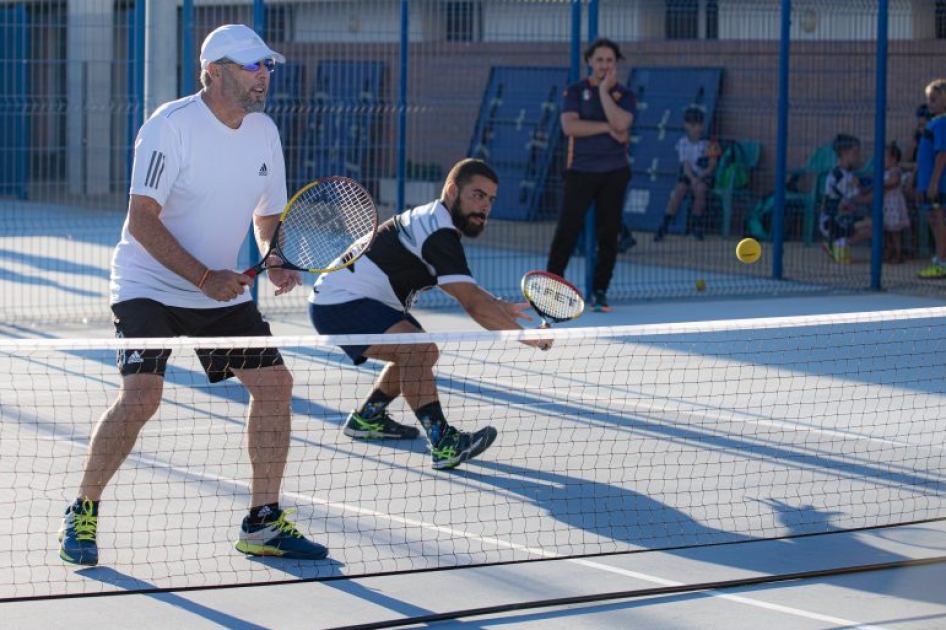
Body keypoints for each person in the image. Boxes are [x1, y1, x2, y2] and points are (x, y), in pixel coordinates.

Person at [57, 24, 327, 566]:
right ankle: (83, 509)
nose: (264, 75)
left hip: (218, 290)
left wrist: (272, 254)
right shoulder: (169, 127)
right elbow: (141, 219)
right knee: (143, 396)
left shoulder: (264, 132)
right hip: (148, 284)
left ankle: (264, 522)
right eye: (253, 66)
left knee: (275, 386)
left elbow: (267, 213)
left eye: (267, 67)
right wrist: (205, 276)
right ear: (214, 72)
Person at [309, 158, 549, 470]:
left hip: (360, 301)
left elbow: (466, 288)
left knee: (421, 352)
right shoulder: (438, 232)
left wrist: (498, 304)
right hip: (341, 304)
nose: (485, 206)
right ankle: (444, 442)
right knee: (417, 350)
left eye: (490, 199)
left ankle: (369, 417)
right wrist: (530, 338)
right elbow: (472, 303)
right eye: (478, 195)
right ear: (452, 190)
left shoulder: (439, 223)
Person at [546, 37, 635, 314]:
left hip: (614, 173)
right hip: (580, 172)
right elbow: (570, 127)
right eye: (599, 60)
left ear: (616, 64)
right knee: (567, 232)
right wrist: (606, 128)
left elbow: (622, 126)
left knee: (608, 235)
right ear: (589, 62)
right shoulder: (574, 91)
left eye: (610, 60)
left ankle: (599, 292)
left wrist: (605, 93)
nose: (604, 65)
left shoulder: (625, 95)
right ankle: (551, 291)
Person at [653, 106, 722, 242]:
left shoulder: (711, 143)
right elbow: (686, 166)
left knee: (700, 190)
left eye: (699, 125)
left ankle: (696, 225)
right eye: (693, 125)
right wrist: (692, 178)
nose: (697, 128)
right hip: (690, 175)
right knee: (679, 189)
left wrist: (699, 178)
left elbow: (712, 166)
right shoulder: (682, 143)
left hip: (704, 175)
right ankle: (665, 225)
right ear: (687, 125)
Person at [818, 133, 873, 264]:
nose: (858, 157)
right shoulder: (841, 176)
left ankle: (838, 244)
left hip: (841, 217)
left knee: (870, 224)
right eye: (855, 153)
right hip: (832, 221)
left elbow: (858, 191)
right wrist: (881, 192)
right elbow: (860, 199)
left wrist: (873, 186)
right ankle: (839, 243)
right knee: (875, 227)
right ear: (845, 153)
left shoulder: (844, 173)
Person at [916, 79, 946, 279]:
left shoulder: (942, 123)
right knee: (934, 219)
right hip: (927, 181)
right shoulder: (935, 122)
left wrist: (934, 182)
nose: (930, 103)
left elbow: (942, 154)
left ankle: (941, 261)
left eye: (934, 100)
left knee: (938, 220)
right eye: (929, 100)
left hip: (936, 184)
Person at [882, 142, 910, 264]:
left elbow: (894, 181)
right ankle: (889, 252)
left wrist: (881, 184)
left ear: (893, 159)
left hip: (893, 203)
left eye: (885, 158)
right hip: (887, 204)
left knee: (895, 232)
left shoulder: (895, 170)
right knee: (887, 231)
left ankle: (898, 253)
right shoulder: (886, 171)